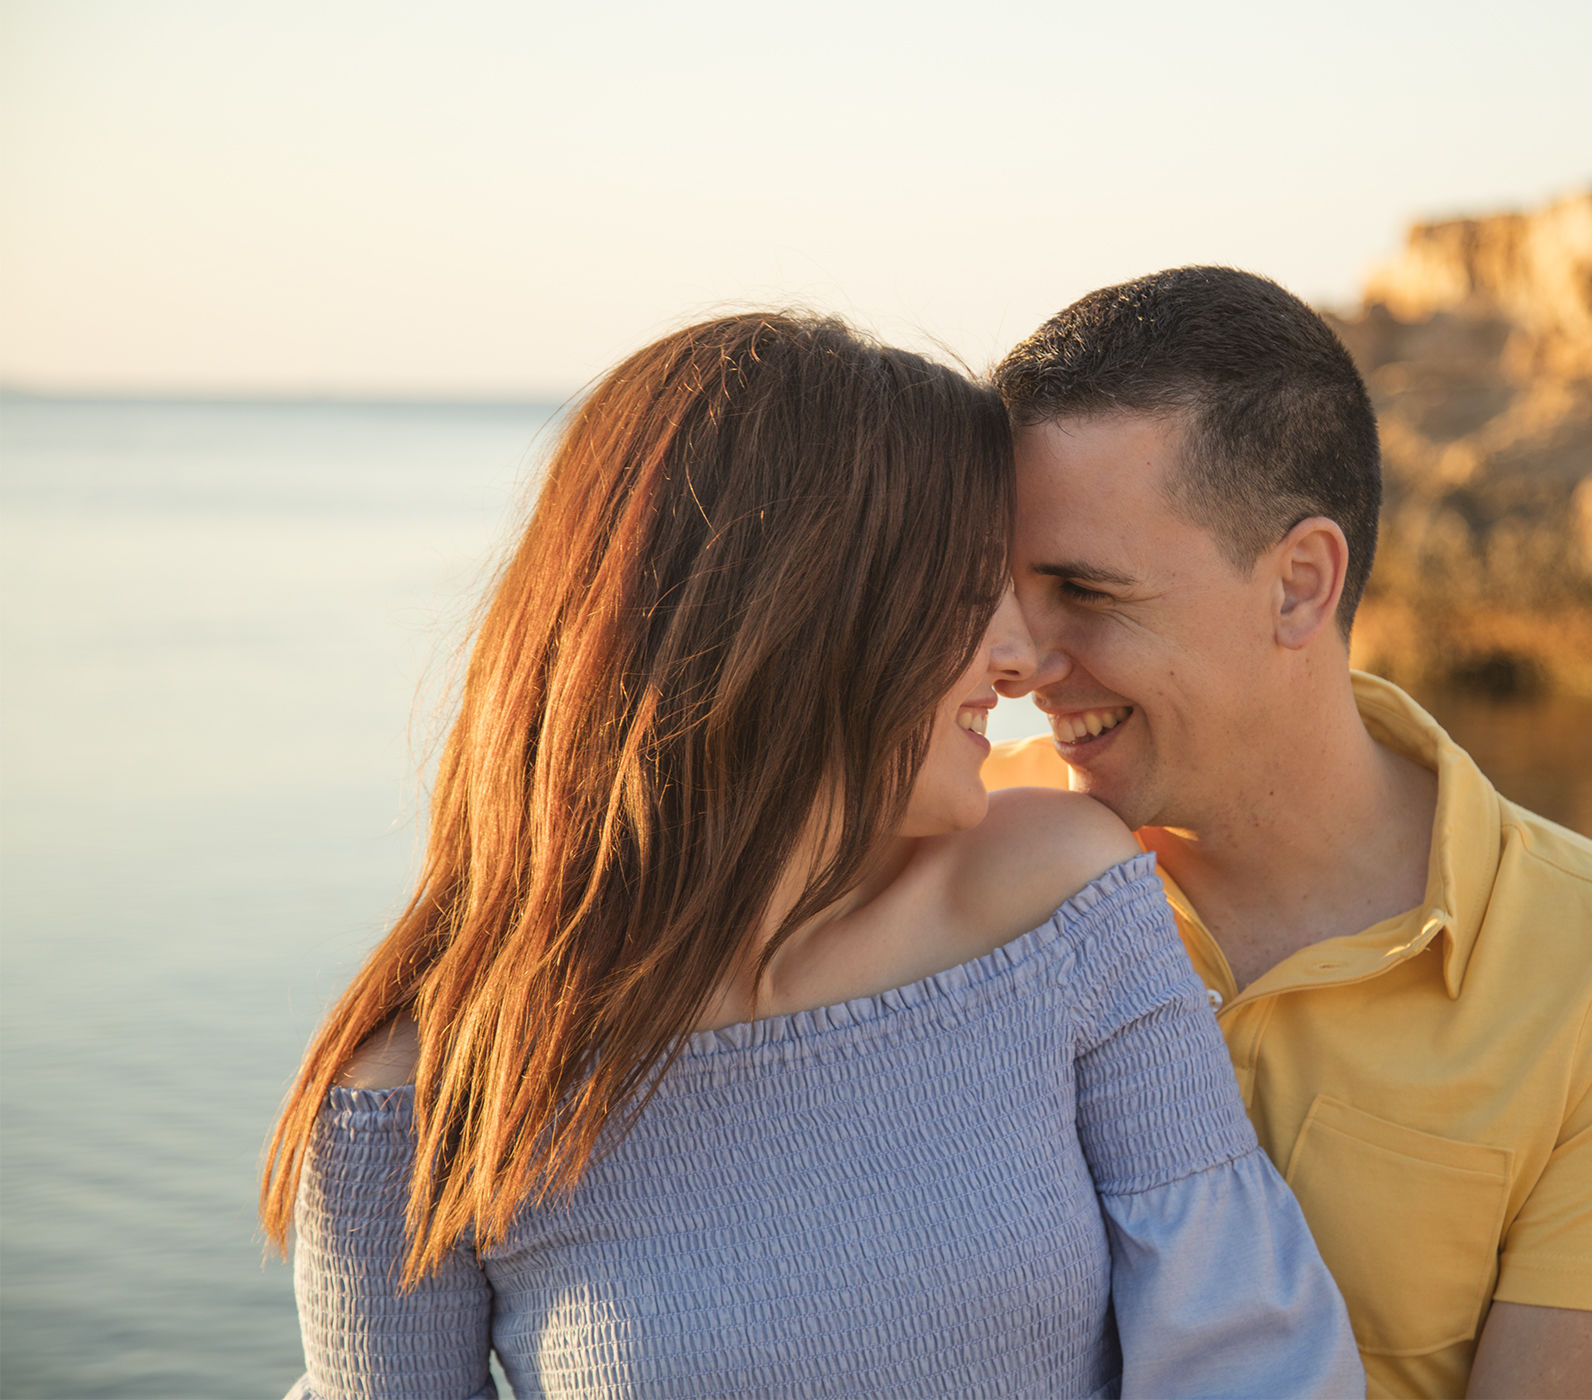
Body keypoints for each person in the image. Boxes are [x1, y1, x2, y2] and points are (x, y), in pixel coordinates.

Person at [260, 313, 1364, 1399]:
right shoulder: (415, 1098)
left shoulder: (1062, 900)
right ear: (804, 611)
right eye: (967, 588)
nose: (1020, 656)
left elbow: (1248, 1355)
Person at [982, 267, 1592, 1400]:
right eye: (1005, 592)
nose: (1020, 662)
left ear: (1297, 584)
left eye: (1083, 592)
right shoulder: (953, 854)